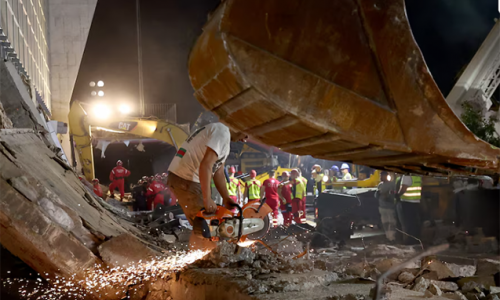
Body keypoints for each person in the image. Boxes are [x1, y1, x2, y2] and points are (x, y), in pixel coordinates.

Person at [166, 122, 248, 251]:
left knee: (201, 223)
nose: (245, 139)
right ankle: (209, 260)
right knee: (208, 224)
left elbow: (218, 171)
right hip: (187, 179)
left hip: (185, 178)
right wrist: (207, 198)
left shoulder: (222, 136)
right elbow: (206, 165)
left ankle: (200, 258)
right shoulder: (222, 132)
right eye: (246, 134)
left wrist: (226, 197)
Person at [396, 174, 423, 244]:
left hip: (407, 202)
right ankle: (416, 240)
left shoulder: (407, 176)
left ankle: (410, 241)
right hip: (416, 201)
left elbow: (403, 188)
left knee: (408, 223)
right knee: (415, 223)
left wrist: (397, 195)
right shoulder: (417, 176)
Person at [375, 171, 397, 242]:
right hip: (382, 207)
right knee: (385, 223)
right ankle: (388, 236)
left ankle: (392, 237)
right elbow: (376, 196)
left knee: (391, 222)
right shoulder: (380, 185)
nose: (380, 177)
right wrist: (377, 194)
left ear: (386, 176)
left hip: (390, 206)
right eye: (380, 176)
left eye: (382, 176)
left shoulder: (392, 184)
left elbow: (395, 193)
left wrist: (388, 195)